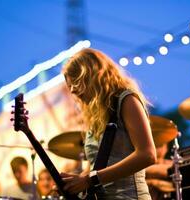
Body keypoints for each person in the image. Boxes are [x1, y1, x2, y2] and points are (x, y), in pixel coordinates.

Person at [60, 48, 157, 199]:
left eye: (76, 81)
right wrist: (75, 184)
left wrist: (89, 180)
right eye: (69, 84)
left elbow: (148, 155)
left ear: (93, 75)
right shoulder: (95, 115)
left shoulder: (127, 100)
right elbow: (96, 168)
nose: (72, 90)